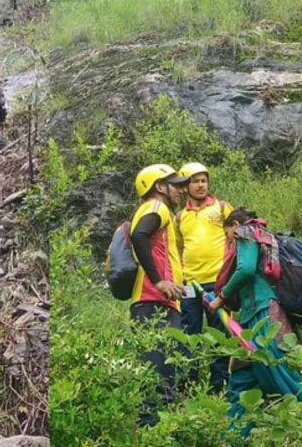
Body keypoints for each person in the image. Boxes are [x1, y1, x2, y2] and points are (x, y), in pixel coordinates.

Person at [207, 207, 302, 437]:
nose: (229, 241)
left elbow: (245, 270)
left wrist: (219, 300)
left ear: (233, 225)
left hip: (265, 315)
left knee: (281, 374)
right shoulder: (261, 237)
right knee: (242, 380)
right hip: (252, 317)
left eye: (226, 234)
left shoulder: (246, 232)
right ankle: (234, 436)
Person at [129, 164, 189, 427]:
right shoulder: (157, 207)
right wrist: (159, 281)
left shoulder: (159, 211)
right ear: (159, 187)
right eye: (175, 185)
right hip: (153, 301)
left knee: (162, 368)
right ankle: (149, 430)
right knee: (156, 370)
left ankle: (158, 429)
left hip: (158, 302)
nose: (181, 189)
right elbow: (139, 235)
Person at [175, 162, 232, 394]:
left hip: (218, 282)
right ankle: (188, 385)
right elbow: (178, 249)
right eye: (195, 181)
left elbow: (234, 239)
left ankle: (218, 385)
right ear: (186, 186)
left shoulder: (221, 208)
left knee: (220, 333)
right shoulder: (180, 217)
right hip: (190, 285)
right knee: (189, 335)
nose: (201, 185)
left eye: (204, 180)